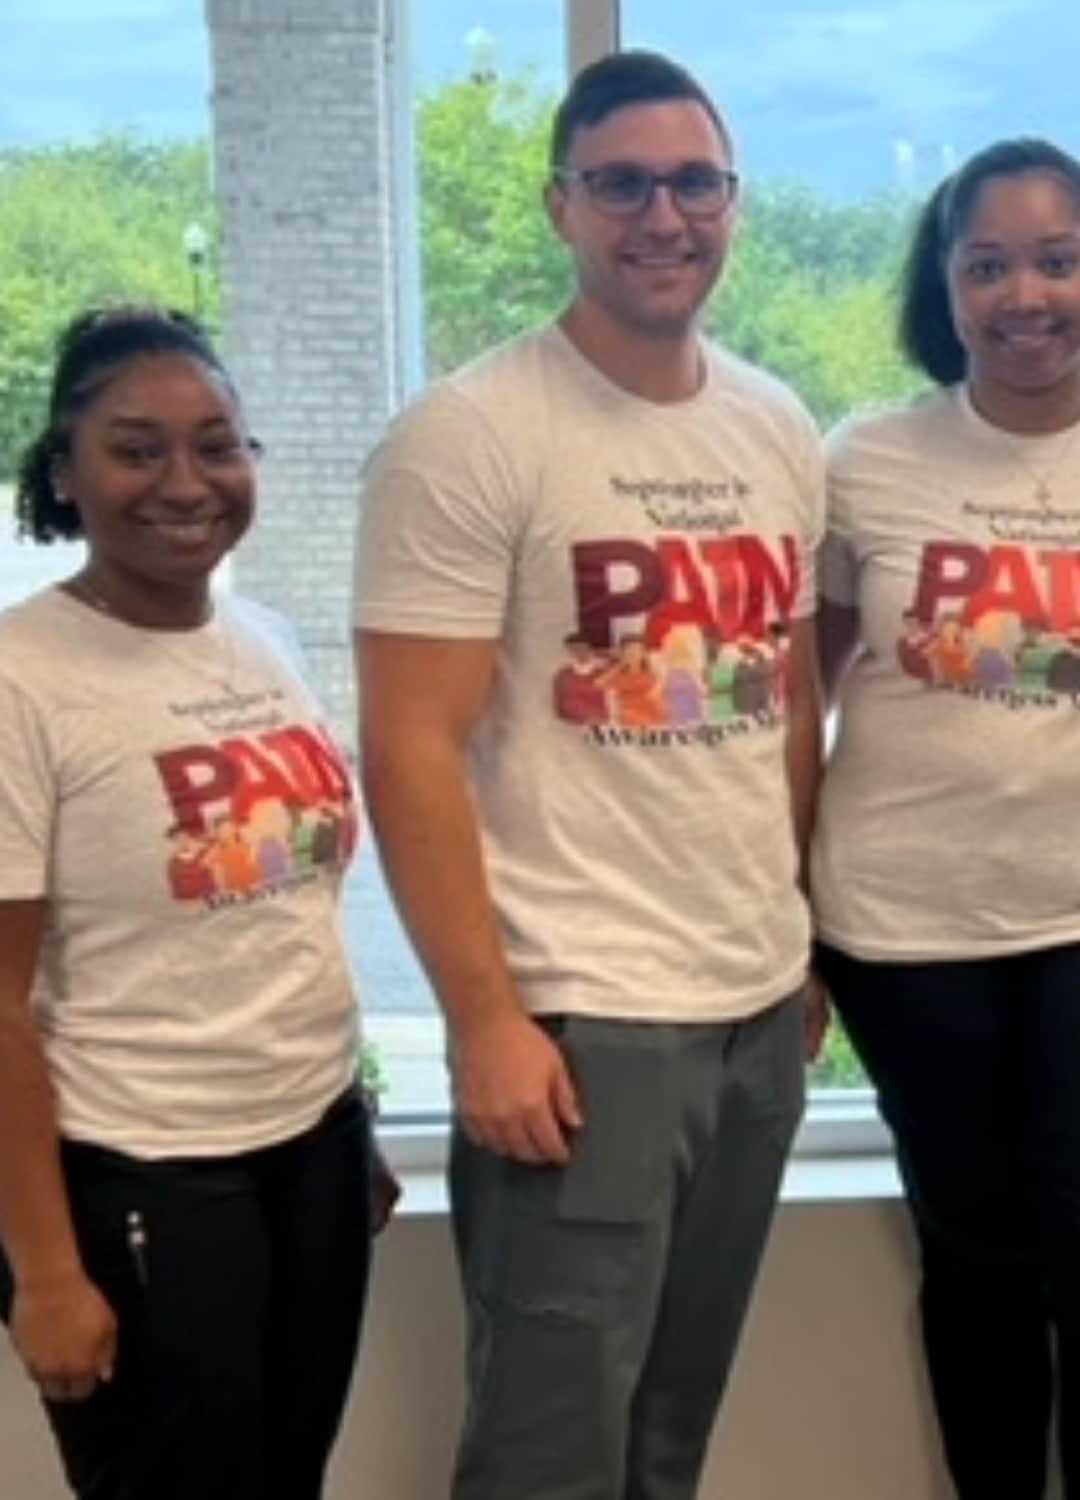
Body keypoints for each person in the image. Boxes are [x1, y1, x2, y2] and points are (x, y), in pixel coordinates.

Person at [352, 50, 824, 1500]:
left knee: (668, 1438)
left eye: (693, 183)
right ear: (561, 204)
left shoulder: (774, 424)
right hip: (580, 1026)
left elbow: (788, 700)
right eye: (620, 185)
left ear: (734, 201)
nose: (661, 217)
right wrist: (483, 1021)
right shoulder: (472, 433)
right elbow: (408, 745)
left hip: (753, 1010)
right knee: (547, 1455)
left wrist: (800, 942)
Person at [0, 307, 389, 1500]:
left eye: (217, 445)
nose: (185, 482)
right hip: (139, 1181)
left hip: (307, 1155)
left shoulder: (261, 641)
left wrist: (349, 1123)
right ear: (64, 470)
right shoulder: (0, 691)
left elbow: (285, 918)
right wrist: (47, 1274)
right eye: (135, 448)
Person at [808, 138, 1080, 1500]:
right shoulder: (864, 459)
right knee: (980, 1269)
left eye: (1055, 260)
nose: (1023, 295)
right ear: (946, 284)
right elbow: (794, 696)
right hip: (905, 931)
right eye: (987, 265)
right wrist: (781, 915)